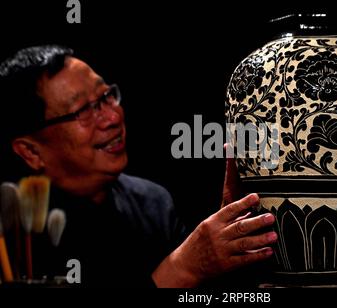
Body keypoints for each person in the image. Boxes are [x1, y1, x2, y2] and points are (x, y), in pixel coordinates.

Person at [0, 45, 277, 287]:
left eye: (106, 96)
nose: (111, 117)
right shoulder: (14, 233)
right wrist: (182, 268)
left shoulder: (151, 202)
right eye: (82, 111)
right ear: (30, 151)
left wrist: (230, 243)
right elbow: (186, 272)